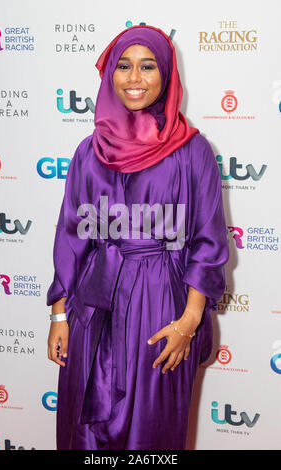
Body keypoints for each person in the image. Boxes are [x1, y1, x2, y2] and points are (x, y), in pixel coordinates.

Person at [46, 25, 229, 450]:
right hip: (92, 307)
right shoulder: (87, 152)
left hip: (161, 305)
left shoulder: (193, 151)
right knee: (82, 428)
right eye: (124, 66)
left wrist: (188, 323)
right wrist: (59, 315)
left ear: (166, 75)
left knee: (152, 433)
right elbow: (71, 236)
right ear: (109, 75)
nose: (134, 78)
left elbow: (207, 243)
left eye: (147, 67)